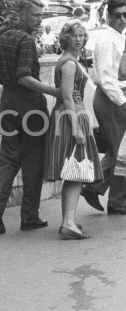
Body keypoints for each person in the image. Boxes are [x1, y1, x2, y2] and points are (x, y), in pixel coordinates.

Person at [0, 0, 61, 233]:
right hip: (30, 107)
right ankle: (29, 216)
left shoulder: (3, 37)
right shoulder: (26, 40)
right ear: (22, 15)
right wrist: (52, 90)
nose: (40, 19)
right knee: (33, 162)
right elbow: (24, 77)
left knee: (7, 160)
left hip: (8, 104)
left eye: (41, 15)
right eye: (36, 15)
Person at [44, 21, 103, 239]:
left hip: (72, 114)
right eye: (74, 35)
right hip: (71, 116)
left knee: (74, 171)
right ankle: (68, 222)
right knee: (76, 169)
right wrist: (77, 128)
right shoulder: (69, 63)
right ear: (65, 38)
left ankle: (68, 220)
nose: (78, 39)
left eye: (81, 35)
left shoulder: (71, 61)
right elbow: (67, 96)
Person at [81, 0, 126, 214]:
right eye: (118, 15)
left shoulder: (118, 37)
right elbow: (107, 77)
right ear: (108, 16)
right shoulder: (107, 39)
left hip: (116, 97)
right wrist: (123, 101)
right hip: (111, 98)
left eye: (125, 15)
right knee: (121, 152)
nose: (122, 19)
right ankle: (117, 201)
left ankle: (94, 187)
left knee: (117, 149)